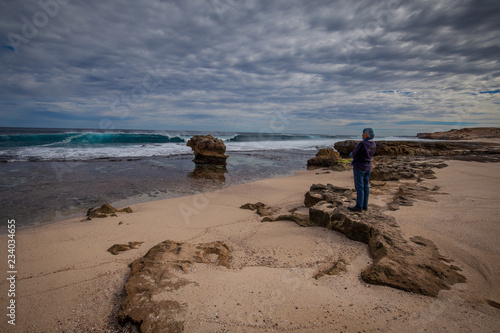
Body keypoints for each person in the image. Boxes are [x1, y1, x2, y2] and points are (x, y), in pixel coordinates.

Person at [348, 128, 376, 212]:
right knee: (366, 186)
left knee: (359, 187)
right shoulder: (373, 144)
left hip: (359, 167)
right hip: (368, 167)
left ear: (367, 134)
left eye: (363, 133)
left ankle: (359, 206)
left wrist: (351, 154)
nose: (362, 135)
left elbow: (354, 154)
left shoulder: (363, 144)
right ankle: (365, 205)